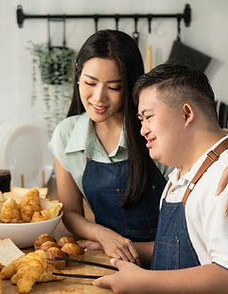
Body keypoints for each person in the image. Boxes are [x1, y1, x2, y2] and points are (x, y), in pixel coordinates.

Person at [49, 29, 228, 264]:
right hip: (116, 257)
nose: (99, 97)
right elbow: (70, 212)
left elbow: (209, 144)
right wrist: (105, 237)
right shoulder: (66, 134)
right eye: (90, 82)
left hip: (176, 258)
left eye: (113, 87)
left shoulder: (157, 134)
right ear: (78, 74)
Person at [93, 62, 228, 294]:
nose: (142, 129)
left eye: (148, 117)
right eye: (140, 119)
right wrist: (117, 247)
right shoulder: (179, 176)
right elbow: (176, 251)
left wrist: (143, 281)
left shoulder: (221, 179)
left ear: (186, 113)